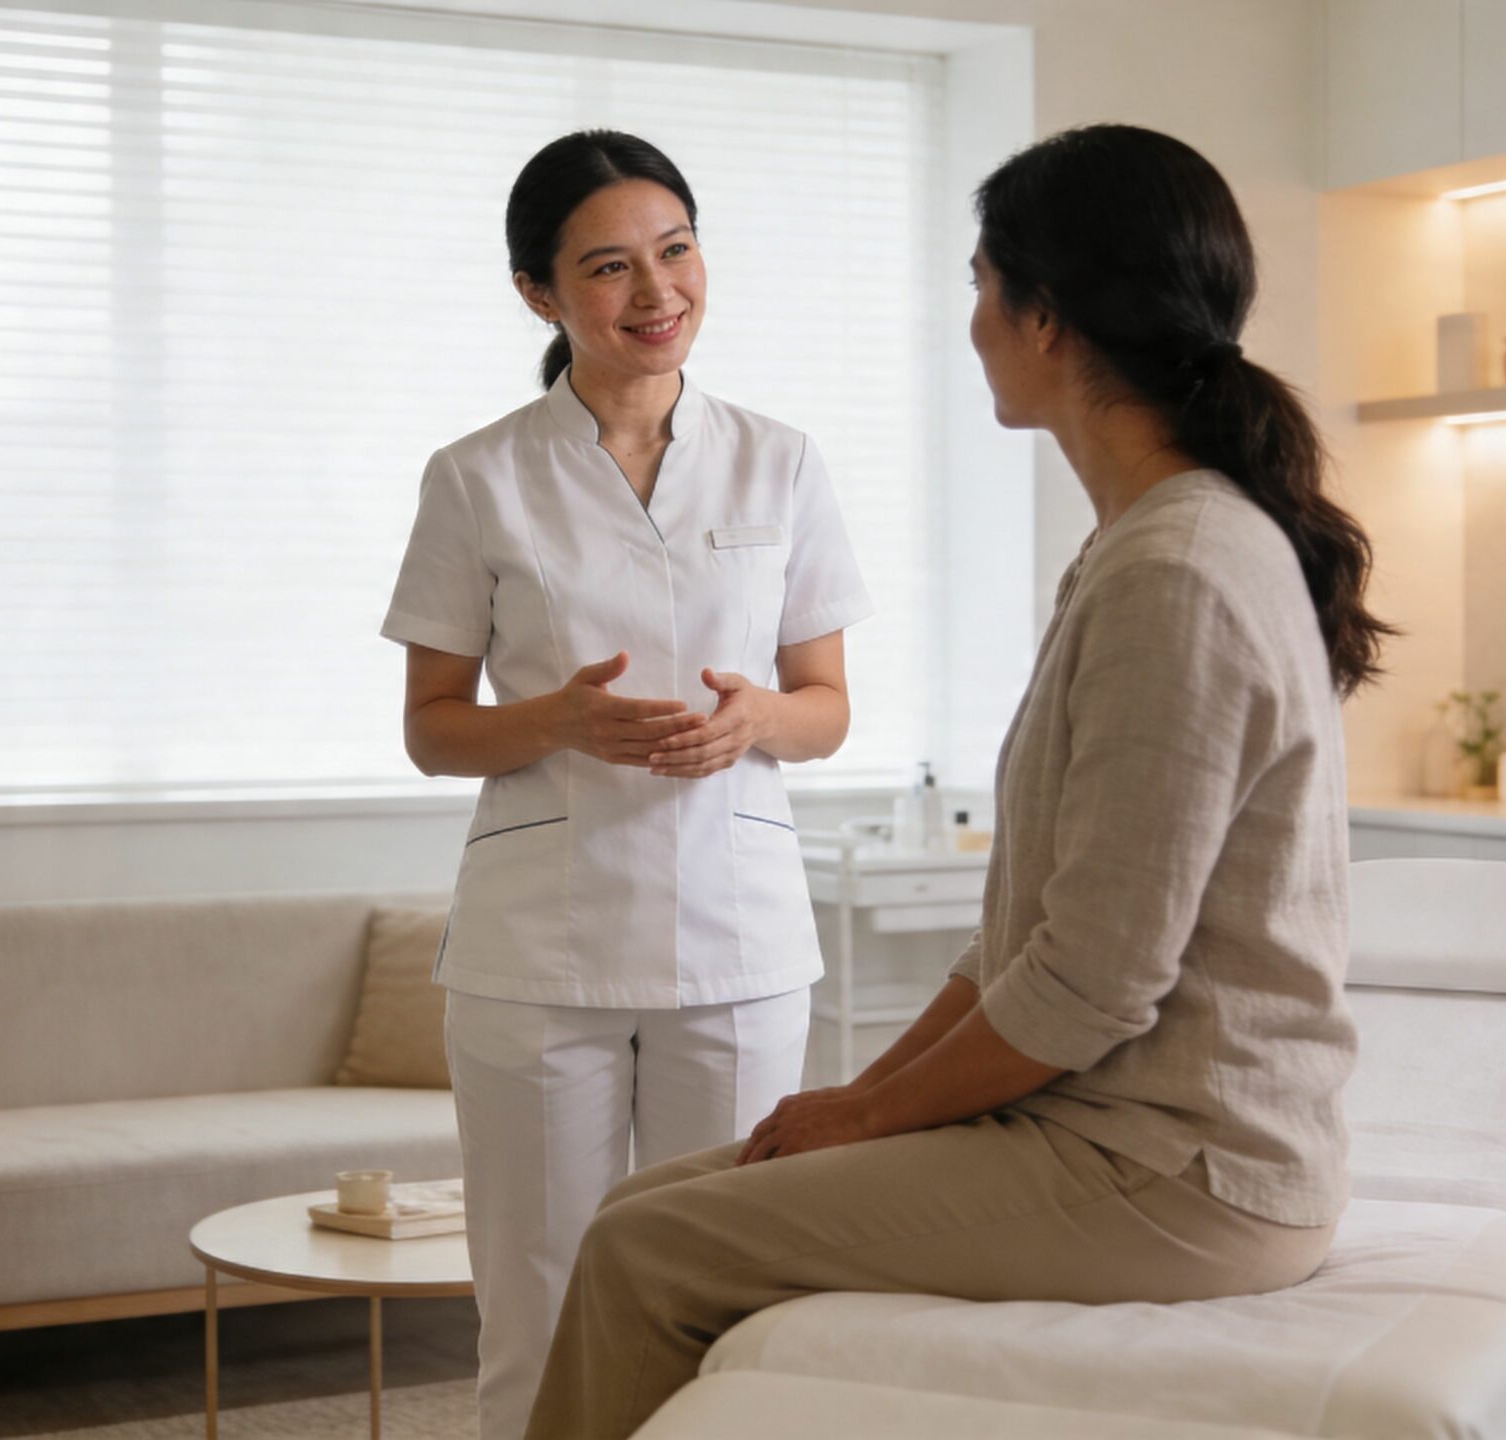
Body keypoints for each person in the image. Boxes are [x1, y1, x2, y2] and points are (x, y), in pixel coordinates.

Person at [521, 122, 1394, 1440]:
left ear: (1048, 318)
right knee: (642, 1211)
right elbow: (1020, 948)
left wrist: (870, 1112)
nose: (971, 321)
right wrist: (852, 1106)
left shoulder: (1182, 572)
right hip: (1115, 1131)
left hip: (1183, 1169)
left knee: (649, 1254)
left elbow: (1094, 982)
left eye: (983, 286)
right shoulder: (1137, 547)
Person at [379, 129, 875, 1440]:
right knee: (539, 1292)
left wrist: (762, 717)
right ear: (540, 294)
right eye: (609, 268)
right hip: (541, 947)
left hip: (740, 935)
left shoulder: (782, 460)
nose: (657, 293)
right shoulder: (477, 475)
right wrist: (555, 721)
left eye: (677, 251)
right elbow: (434, 729)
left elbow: (825, 709)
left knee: (737, 1288)